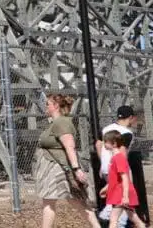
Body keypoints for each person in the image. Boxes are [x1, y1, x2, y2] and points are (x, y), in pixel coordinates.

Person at [34, 93, 100, 228]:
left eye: (48, 104)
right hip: (54, 168)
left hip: (59, 168)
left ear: (56, 106)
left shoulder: (61, 122)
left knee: (71, 200)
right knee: (66, 200)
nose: (45, 107)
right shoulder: (55, 123)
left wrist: (76, 169)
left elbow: (69, 146)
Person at [98, 105, 148, 226]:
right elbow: (122, 153)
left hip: (111, 172)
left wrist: (102, 163)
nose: (105, 143)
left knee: (122, 215)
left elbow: (98, 144)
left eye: (107, 142)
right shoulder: (126, 133)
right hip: (117, 173)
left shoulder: (107, 129)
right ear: (131, 117)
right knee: (126, 214)